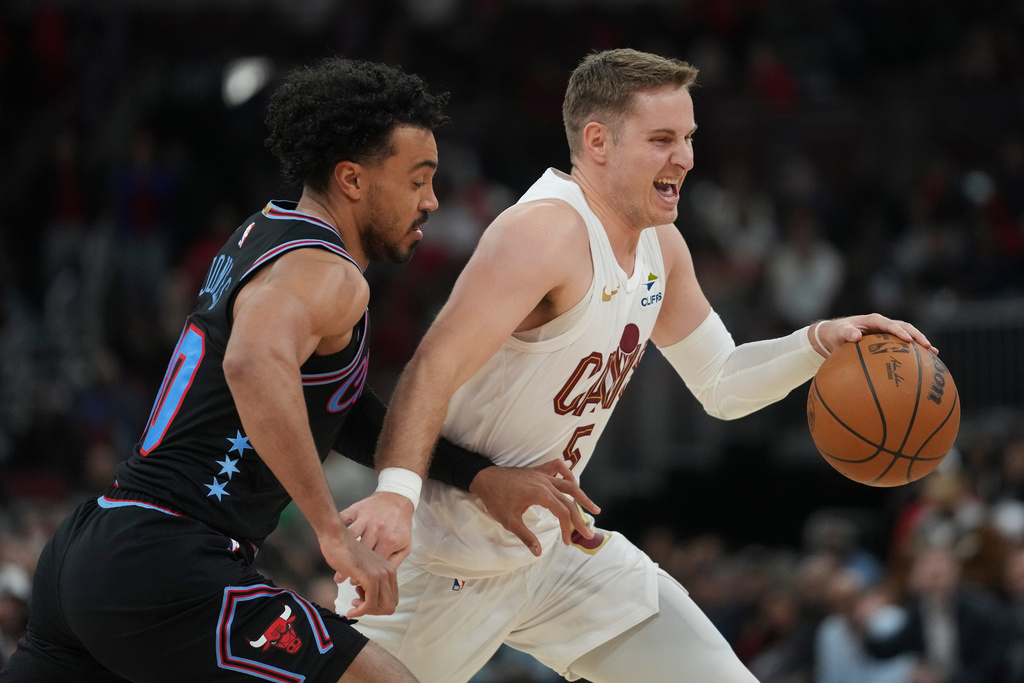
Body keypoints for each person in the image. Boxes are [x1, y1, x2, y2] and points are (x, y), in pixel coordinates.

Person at [338, 48, 938, 683]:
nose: (686, 158)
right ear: (597, 141)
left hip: (554, 554)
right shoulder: (546, 232)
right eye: (662, 139)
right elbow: (431, 367)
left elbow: (722, 384)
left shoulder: (661, 243)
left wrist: (819, 341)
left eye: (687, 138)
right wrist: (394, 498)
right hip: (443, 561)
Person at [0, 56, 579, 683]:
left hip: (95, 545)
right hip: (166, 559)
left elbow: (343, 411)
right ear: (353, 180)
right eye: (417, 180)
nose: (431, 201)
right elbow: (251, 364)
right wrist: (333, 531)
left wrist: (476, 476)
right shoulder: (327, 274)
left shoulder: (267, 232)